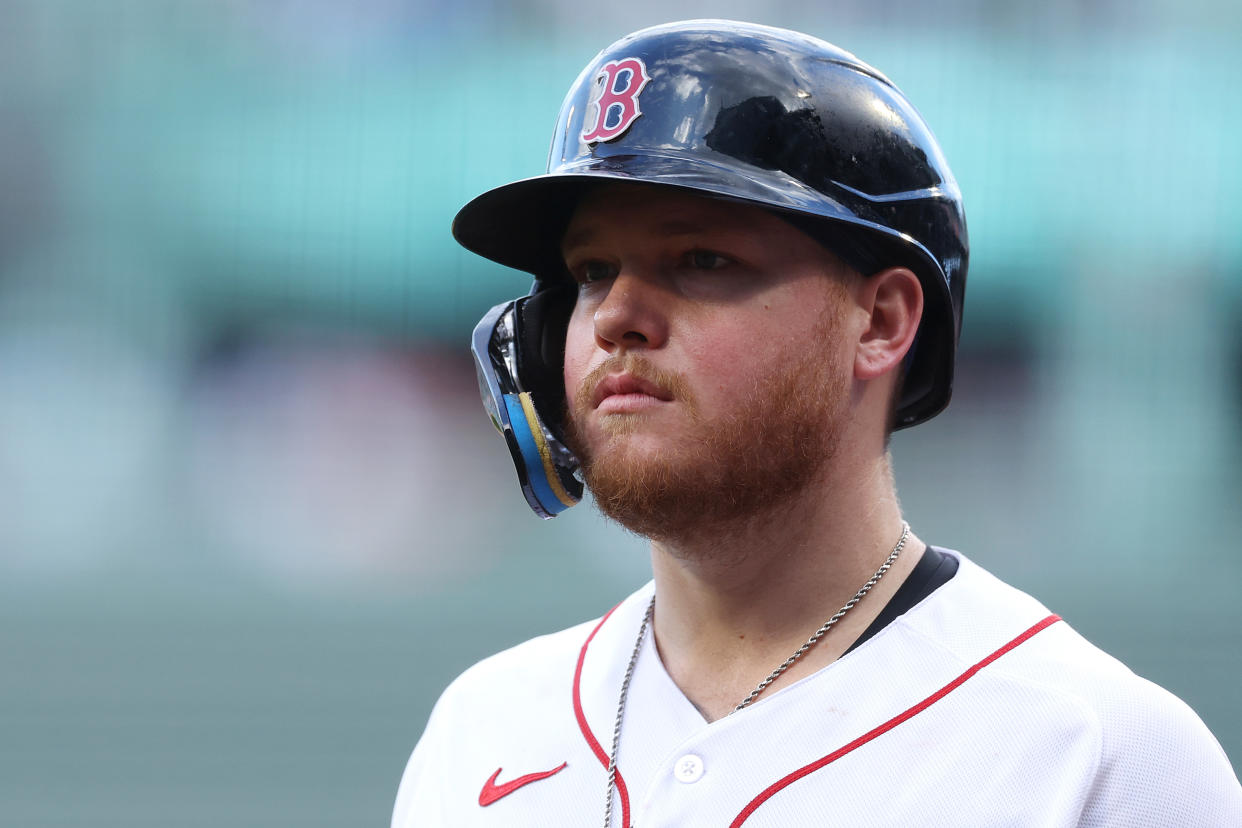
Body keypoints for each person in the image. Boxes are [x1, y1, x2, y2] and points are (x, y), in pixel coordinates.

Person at [393, 20, 1242, 827]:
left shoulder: (1102, 755)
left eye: (701, 259)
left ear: (879, 324)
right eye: (590, 270)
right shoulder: (482, 733)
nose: (616, 314)